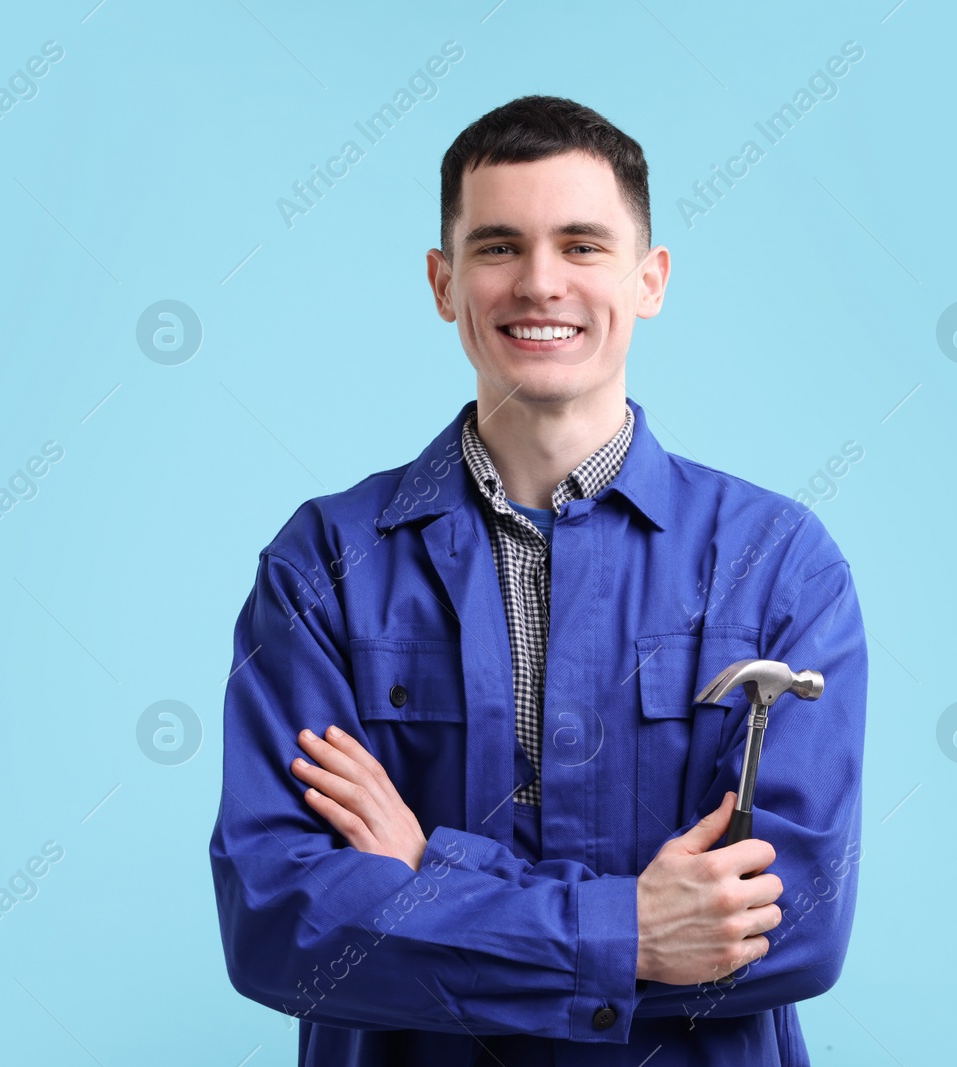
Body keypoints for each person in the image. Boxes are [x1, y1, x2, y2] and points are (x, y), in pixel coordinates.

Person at [207, 95, 868, 1066]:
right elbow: (284, 923)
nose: (540, 283)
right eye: (499, 247)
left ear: (650, 280)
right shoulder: (325, 564)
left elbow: (790, 928)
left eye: (583, 245)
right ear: (444, 283)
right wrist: (630, 930)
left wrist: (432, 867)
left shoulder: (777, 563)